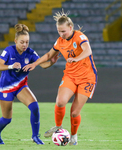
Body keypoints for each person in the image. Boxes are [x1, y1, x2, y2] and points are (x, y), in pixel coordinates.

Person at [23, 10, 98, 146]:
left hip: (87, 77)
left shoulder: (79, 37)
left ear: (70, 27)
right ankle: (58, 127)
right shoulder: (60, 41)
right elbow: (48, 55)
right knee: (60, 102)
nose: (61, 34)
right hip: (70, 75)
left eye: (63, 31)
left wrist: (76, 59)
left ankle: (74, 136)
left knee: (74, 112)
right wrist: (35, 64)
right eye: (59, 31)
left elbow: (88, 51)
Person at [0, 24, 58, 145]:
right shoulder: (8, 51)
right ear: (15, 41)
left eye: (27, 42)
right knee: (7, 119)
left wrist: (51, 62)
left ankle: (35, 136)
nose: (25, 45)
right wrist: (11, 66)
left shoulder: (30, 53)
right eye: (22, 42)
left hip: (21, 86)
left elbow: (42, 65)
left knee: (34, 107)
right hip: (6, 88)